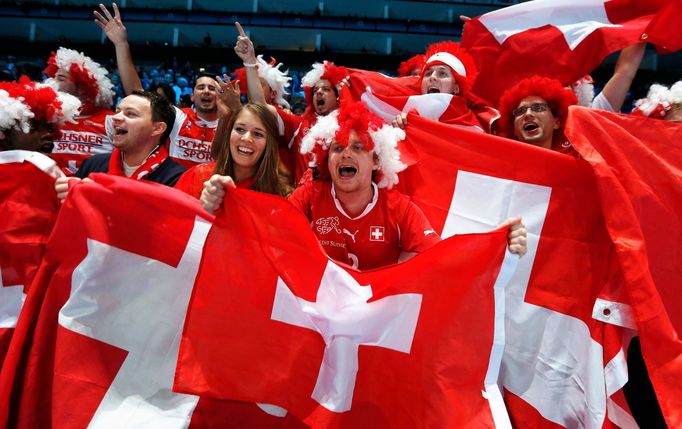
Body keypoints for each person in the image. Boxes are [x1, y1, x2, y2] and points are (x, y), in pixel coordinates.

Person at [203, 100, 527, 270]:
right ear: (326, 158)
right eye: (338, 148)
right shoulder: (310, 196)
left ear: (376, 161)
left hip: (372, 324)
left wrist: (496, 246)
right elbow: (263, 233)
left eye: (359, 148)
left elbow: (443, 258)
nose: (346, 154)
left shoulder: (398, 208)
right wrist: (220, 201)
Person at [95, 3, 220, 168]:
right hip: (173, 189)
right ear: (192, 95)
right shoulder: (178, 117)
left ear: (220, 95)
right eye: (201, 87)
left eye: (212, 88)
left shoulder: (229, 124)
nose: (206, 91)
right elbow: (139, 94)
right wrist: (121, 44)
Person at [233, 22, 348, 184]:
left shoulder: (350, 129)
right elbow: (259, 106)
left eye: (326, 90)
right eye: (315, 91)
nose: (319, 92)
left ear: (338, 97)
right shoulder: (299, 127)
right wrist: (250, 62)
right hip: (302, 202)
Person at [54, 90, 185, 202]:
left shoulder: (175, 178)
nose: (115, 117)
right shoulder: (93, 164)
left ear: (157, 128)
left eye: (130, 114)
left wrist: (99, 199)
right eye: (117, 111)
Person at [392, 41, 497, 132]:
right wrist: (398, 132)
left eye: (442, 74)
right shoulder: (405, 116)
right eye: (428, 74)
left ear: (456, 87)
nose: (432, 77)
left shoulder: (472, 127)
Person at [43, 47, 116, 174]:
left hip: (91, 190)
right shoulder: (46, 118)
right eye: (53, 77)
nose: (52, 83)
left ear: (82, 87)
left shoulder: (110, 120)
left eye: (60, 78)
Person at [497, 76, 579, 154]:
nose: (528, 114)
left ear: (556, 123)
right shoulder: (497, 166)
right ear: (514, 129)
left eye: (538, 108)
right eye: (520, 111)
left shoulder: (575, 166)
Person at [0, 77, 80, 153]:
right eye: (33, 127)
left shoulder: (50, 166)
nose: (47, 134)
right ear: (5, 136)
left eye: (50, 129)